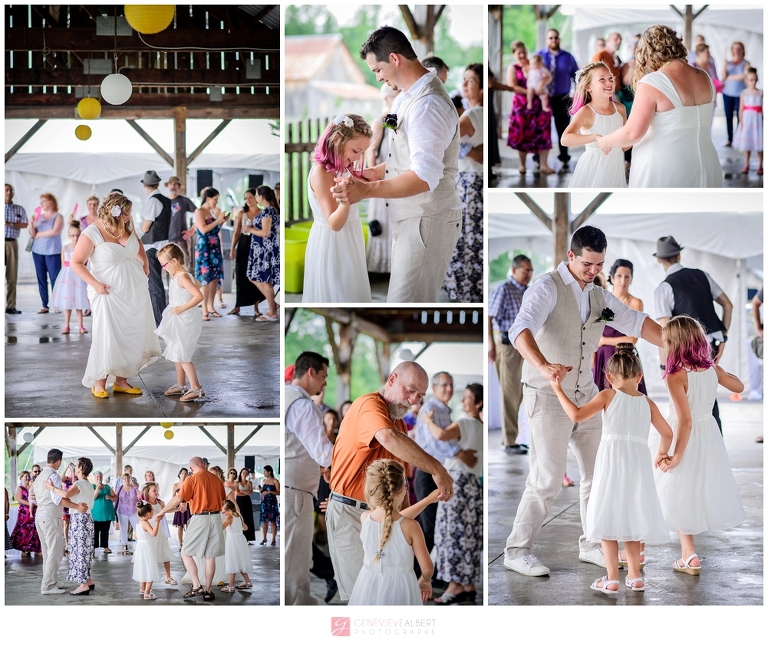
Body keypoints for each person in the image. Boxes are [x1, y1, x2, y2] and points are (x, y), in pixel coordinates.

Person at [503, 225, 663, 577]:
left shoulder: (599, 295)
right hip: (547, 393)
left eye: (599, 265)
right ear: (571, 256)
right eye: (587, 264)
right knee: (546, 479)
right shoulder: (547, 287)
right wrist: (544, 366)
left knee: (598, 474)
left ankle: (592, 544)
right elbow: (519, 329)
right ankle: (517, 551)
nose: (593, 271)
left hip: (587, 392)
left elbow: (637, 322)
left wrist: (679, 345)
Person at [331, 26, 461, 303]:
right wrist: (372, 173)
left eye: (378, 70)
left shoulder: (428, 106)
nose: (378, 78)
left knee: (404, 303)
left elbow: (424, 176)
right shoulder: (404, 98)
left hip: (427, 220)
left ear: (394, 58)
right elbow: (403, 155)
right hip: (412, 218)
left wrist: (366, 191)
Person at [326, 361, 455, 601]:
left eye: (420, 396)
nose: (413, 400)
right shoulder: (369, 404)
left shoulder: (399, 424)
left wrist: (405, 525)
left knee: (385, 595)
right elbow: (386, 436)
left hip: (383, 516)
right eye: (410, 390)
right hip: (352, 513)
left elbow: (401, 484)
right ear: (392, 379)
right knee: (361, 596)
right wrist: (437, 469)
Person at [551, 345, 671, 595]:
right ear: (640, 376)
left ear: (608, 377)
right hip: (637, 465)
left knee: (608, 515)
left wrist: (558, 389)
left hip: (611, 463)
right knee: (632, 516)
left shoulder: (607, 395)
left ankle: (612, 579)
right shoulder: (647, 403)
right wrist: (661, 453)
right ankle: (635, 578)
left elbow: (576, 415)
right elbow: (668, 433)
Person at [654, 316, 745, 575]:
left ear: (676, 344)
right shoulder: (712, 370)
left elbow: (685, 420)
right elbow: (738, 386)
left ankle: (647, 552)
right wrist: (716, 368)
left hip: (685, 436)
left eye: (667, 342)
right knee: (689, 490)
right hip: (708, 435)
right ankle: (688, 554)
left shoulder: (676, 375)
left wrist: (675, 455)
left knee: (672, 489)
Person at [596, 25, 723, 188]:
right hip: (708, 164)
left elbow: (632, 133)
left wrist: (605, 141)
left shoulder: (653, 82)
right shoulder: (705, 77)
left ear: (648, 51)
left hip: (666, 168)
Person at [71, 192, 162, 398]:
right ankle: (99, 382)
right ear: (115, 212)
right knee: (107, 335)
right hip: (106, 292)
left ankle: (121, 381)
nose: (129, 217)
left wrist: (145, 264)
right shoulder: (92, 232)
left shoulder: (127, 226)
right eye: (126, 213)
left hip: (133, 290)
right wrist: (95, 284)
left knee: (129, 334)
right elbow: (76, 263)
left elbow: (137, 244)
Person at [653, 235, 731, 432]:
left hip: (683, 350)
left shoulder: (663, 288)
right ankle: (715, 441)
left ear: (659, 260)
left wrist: (664, 365)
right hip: (711, 345)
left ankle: (689, 445)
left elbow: (665, 333)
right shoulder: (702, 275)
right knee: (708, 398)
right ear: (679, 255)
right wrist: (723, 336)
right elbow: (728, 305)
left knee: (685, 401)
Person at [424, 383, 484, 604]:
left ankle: (454, 586)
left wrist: (427, 421)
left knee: (450, 534)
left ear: (479, 403)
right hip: (473, 486)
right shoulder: (481, 427)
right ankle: (467, 585)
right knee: (468, 536)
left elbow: (440, 435)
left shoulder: (465, 423)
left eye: (467, 397)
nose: (462, 400)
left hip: (457, 483)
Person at [304, 114, 373, 303]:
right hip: (332, 242)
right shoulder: (322, 172)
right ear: (336, 140)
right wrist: (346, 199)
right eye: (355, 150)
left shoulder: (344, 167)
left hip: (350, 237)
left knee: (352, 289)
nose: (358, 157)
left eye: (362, 153)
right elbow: (334, 223)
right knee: (339, 292)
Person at [348, 460, 437, 605]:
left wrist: (428, 500)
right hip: (401, 588)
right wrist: (425, 580)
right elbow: (427, 568)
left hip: (368, 585)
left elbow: (391, 522)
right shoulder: (412, 526)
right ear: (401, 489)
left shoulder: (365, 518)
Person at [284, 351, 334, 605]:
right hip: (296, 492)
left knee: (297, 558)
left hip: (292, 487)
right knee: (295, 562)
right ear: (311, 372)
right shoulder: (304, 406)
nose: (325, 383)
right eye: (324, 376)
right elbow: (324, 452)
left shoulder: (284, 396)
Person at [155, 456, 227, 602]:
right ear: (204, 465)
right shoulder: (216, 479)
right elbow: (222, 500)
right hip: (216, 517)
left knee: (185, 552)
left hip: (200, 518)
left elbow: (178, 499)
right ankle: (208, 591)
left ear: (191, 468)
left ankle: (196, 585)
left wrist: (162, 511)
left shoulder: (192, 479)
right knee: (210, 556)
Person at [444, 63, 484, 303]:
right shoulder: (477, 113)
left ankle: (464, 291)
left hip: (469, 183)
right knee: (472, 237)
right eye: (464, 79)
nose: (465, 84)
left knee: (465, 236)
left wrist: (466, 149)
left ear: (482, 88)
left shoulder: (473, 114)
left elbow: (446, 136)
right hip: (473, 180)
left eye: (471, 80)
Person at [489, 255, 533, 454]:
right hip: (507, 346)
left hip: (526, 345)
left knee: (525, 391)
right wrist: (491, 344)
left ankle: (518, 437)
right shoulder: (504, 289)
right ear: (514, 270)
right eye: (525, 271)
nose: (528, 274)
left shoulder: (528, 291)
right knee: (509, 394)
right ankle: (509, 442)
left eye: (530, 271)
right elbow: (489, 317)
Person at [563, 62, 628, 188]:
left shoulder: (620, 109)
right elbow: (565, 139)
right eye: (602, 79)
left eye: (610, 78)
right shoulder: (586, 111)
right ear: (588, 87)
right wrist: (596, 138)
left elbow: (625, 145)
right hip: (593, 167)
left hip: (615, 167)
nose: (609, 82)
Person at [154, 242, 205, 401]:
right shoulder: (180, 276)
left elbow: (199, 296)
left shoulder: (182, 277)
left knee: (182, 354)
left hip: (184, 318)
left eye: (164, 264)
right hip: (178, 318)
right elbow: (198, 284)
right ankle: (181, 384)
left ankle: (196, 388)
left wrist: (182, 307)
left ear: (174, 261)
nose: (163, 268)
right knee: (176, 351)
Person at [33, 448, 88, 594]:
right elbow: (58, 500)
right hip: (50, 517)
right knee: (55, 553)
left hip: (40, 516)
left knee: (47, 553)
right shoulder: (54, 476)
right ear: (58, 461)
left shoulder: (39, 476)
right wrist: (76, 506)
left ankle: (50, 581)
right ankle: (48, 586)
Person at [44, 456, 96, 596]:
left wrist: (51, 487)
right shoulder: (88, 484)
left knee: (79, 551)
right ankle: (88, 580)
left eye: (77, 465)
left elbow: (66, 494)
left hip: (79, 520)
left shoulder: (79, 484)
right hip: (87, 519)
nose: (75, 467)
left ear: (81, 468)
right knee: (85, 551)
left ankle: (83, 585)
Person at [593, 259, 647, 394]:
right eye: (619, 276)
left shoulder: (636, 303)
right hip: (602, 356)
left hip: (625, 357)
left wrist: (603, 341)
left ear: (631, 279)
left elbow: (632, 340)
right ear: (612, 278)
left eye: (627, 276)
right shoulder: (602, 300)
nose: (623, 281)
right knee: (601, 398)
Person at [365, 84, 400, 274]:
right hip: (381, 178)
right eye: (396, 94)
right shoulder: (379, 122)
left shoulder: (396, 119)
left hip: (396, 177)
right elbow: (371, 151)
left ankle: (394, 265)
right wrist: (374, 179)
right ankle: (381, 266)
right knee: (383, 223)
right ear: (386, 98)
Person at [506, 41, 554, 175]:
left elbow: (547, 76)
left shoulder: (535, 62)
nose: (522, 55)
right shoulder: (513, 67)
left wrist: (541, 85)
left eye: (524, 52)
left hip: (540, 104)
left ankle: (544, 164)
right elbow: (512, 86)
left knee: (544, 132)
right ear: (514, 54)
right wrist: (530, 92)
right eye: (519, 53)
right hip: (522, 105)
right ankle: (522, 165)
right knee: (522, 133)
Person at [537, 29, 580, 173]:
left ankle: (564, 156)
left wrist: (578, 94)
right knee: (541, 128)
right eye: (551, 38)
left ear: (559, 39)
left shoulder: (568, 57)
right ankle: (538, 157)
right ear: (546, 39)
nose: (553, 40)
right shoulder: (539, 56)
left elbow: (576, 76)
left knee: (563, 128)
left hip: (563, 97)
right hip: (544, 98)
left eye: (556, 37)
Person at [139, 170, 172, 326]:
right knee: (158, 283)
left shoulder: (152, 201)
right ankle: (161, 319)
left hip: (152, 247)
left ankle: (160, 322)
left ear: (144, 185)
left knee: (154, 285)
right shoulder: (166, 200)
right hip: (162, 244)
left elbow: (146, 227)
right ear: (158, 183)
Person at [244, 185, 280, 320]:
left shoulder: (268, 211)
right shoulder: (269, 210)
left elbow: (265, 233)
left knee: (265, 281)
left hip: (265, 251)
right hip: (260, 250)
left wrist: (249, 229)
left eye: (256, 195)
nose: (256, 198)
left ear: (261, 196)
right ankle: (273, 304)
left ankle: (272, 312)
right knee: (254, 277)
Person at [193, 187, 227, 320]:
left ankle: (211, 306)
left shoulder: (212, 212)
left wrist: (221, 222)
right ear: (208, 199)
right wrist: (218, 220)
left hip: (215, 247)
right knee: (205, 278)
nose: (216, 202)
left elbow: (215, 229)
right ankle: (204, 310)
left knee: (214, 278)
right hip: (204, 248)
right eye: (215, 199)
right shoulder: (199, 211)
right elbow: (204, 229)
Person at [228, 189, 265, 314]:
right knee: (241, 274)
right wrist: (232, 249)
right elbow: (236, 232)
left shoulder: (263, 212)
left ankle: (256, 306)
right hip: (244, 244)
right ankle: (237, 305)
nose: (248, 200)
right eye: (245, 198)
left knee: (256, 275)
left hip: (258, 245)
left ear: (256, 198)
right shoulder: (241, 213)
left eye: (250, 197)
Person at [50, 220, 90, 334]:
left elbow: (85, 263)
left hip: (79, 275)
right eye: (73, 235)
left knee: (79, 301)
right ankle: (66, 326)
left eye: (78, 235)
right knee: (67, 302)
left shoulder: (82, 248)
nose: (75, 238)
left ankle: (81, 326)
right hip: (67, 277)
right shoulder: (65, 248)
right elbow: (64, 263)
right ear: (69, 236)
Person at [28, 192, 64, 313]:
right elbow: (32, 233)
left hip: (53, 251)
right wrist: (31, 223)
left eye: (43, 201)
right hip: (37, 251)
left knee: (55, 278)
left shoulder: (58, 217)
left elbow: (55, 231)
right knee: (41, 278)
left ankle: (57, 304)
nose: (41, 203)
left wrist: (39, 234)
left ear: (51, 202)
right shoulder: (39, 217)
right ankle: (44, 305)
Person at [733, 68, 763, 175]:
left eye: (755, 79)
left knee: (759, 143)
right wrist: (741, 122)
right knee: (747, 143)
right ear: (746, 80)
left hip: (757, 121)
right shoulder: (744, 93)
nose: (753, 82)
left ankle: (760, 166)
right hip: (747, 120)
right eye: (751, 80)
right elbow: (741, 109)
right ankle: (746, 164)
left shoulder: (761, 93)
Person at [722, 41, 750, 147]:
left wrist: (730, 77)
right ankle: (730, 139)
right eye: (735, 48)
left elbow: (745, 75)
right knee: (728, 116)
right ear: (732, 50)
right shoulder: (728, 63)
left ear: (742, 50)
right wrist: (724, 63)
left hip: (740, 94)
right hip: (727, 93)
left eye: (739, 48)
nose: (737, 50)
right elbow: (723, 76)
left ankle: (739, 138)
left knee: (740, 116)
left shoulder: (746, 63)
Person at [5, 184, 28, 314]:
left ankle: (10, 306)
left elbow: (25, 224)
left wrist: (10, 224)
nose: (9, 192)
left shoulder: (19, 209)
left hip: (12, 243)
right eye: (6, 190)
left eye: (11, 190)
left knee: (12, 275)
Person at [221, 499, 252, 592]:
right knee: (240, 561)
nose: (223, 514)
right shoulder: (238, 516)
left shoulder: (229, 518)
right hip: (241, 540)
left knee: (232, 562)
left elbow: (221, 528)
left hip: (232, 541)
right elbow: (246, 528)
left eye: (224, 512)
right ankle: (248, 582)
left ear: (229, 510)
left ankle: (231, 586)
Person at [133, 500, 162, 600]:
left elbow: (135, 536)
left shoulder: (138, 522)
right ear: (149, 513)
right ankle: (147, 593)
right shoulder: (145, 523)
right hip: (147, 548)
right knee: (150, 569)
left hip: (140, 548)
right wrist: (157, 522)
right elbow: (154, 533)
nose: (153, 513)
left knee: (143, 568)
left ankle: (142, 589)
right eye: (152, 511)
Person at [11, 470, 41, 555]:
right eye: (25, 477)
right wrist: (30, 504)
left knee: (34, 530)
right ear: (21, 478)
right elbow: (19, 499)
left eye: (28, 476)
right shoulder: (19, 488)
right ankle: (24, 550)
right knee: (23, 530)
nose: (27, 478)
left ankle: (35, 549)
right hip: (24, 513)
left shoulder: (32, 486)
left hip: (34, 511)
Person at [115, 473, 140, 554]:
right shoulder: (119, 488)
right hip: (122, 510)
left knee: (137, 527)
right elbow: (115, 497)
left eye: (128, 478)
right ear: (122, 480)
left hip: (133, 510)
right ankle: (125, 544)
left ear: (130, 479)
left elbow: (139, 497)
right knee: (123, 528)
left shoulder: (134, 488)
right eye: (125, 478)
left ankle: (139, 542)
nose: (126, 480)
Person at [91, 471, 116, 555]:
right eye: (97, 477)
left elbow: (115, 497)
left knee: (105, 531)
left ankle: (105, 547)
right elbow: (93, 497)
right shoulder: (92, 486)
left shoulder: (107, 487)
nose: (99, 478)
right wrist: (97, 489)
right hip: (95, 514)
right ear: (94, 478)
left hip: (106, 514)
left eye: (100, 477)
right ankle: (93, 547)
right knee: (95, 531)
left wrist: (110, 497)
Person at [231, 468, 256, 544]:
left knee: (248, 518)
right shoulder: (237, 483)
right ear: (241, 473)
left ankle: (248, 538)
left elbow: (251, 492)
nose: (245, 474)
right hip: (239, 501)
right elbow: (237, 493)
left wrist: (242, 491)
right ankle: (241, 537)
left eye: (246, 473)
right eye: (243, 472)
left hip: (247, 501)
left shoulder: (249, 482)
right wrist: (246, 492)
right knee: (241, 517)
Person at [259, 465, 280, 546]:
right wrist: (261, 490)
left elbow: (279, 492)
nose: (264, 473)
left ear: (269, 472)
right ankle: (264, 538)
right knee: (264, 521)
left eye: (265, 471)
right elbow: (263, 491)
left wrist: (270, 492)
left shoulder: (275, 481)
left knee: (273, 521)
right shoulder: (264, 481)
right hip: (264, 502)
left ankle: (273, 539)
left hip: (272, 503)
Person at [172, 468, 192, 550]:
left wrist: (186, 503)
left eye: (185, 473)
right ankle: (180, 544)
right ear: (179, 474)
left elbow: (191, 496)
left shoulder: (189, 484)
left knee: (189, 526)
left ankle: (188, 543)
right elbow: (173, 496)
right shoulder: (175, 485)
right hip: (179, 507)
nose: (184, 475)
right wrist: (175, 505)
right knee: (180, 526)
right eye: (182, 473)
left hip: (188, 506)